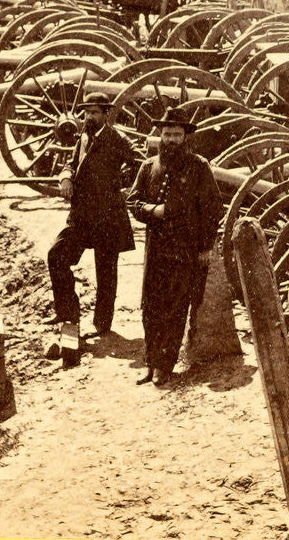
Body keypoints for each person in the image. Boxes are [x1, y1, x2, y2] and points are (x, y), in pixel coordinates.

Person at [127, 108, 221, 386]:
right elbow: (132, 201)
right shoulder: (148, 167)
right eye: (166, 134)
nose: (170, 140)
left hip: (185, 249)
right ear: (160, 135)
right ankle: (150, 361)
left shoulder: (199, 167)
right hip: (156, 249)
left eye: (176, 135)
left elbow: (213, 209)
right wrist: (153, 211)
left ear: (185, 137)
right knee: (150, 307)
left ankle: (164, 366)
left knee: (175, 307)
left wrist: (206, 247)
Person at [46, 91, 137, 356]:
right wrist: (65, 178)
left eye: (95, 112)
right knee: (57, 256)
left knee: (106, 271)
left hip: (108, 215)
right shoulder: (83, 137)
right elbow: (70, 164)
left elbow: (137, 164)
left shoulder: (117, 139)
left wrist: (123, 189)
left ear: (106, 114)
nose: (89, 117)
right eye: (87, 112)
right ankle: (68, 317)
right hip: (82, 216)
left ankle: (102, 324)